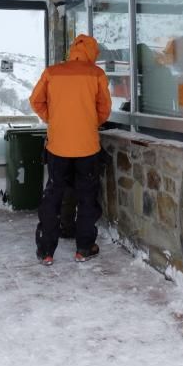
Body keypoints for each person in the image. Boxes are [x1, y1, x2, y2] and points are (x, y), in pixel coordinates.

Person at [29, 34, 112, 266]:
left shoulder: (53, 72)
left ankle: (46, 250)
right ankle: (84, 248)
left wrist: (55, 120)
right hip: (87, 147)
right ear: (92, 52)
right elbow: (105, 108)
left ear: (72, 50)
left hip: (58, 147)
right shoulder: (96, 74)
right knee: (87, 198)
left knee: (53, 197)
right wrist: (88, 122)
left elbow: (36, 101)